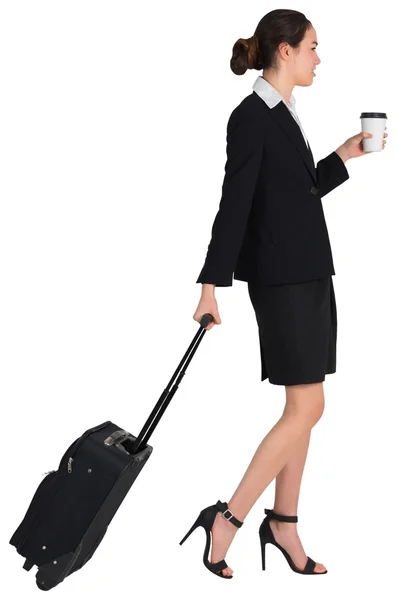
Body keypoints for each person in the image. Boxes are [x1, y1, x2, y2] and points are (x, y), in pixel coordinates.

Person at [179, 9, 387, 579]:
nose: (320, 58)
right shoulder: (250, 117)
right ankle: (228, 516)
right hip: (282, 280)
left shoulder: (285, 113)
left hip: (310, 275)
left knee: (305, 409)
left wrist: (346, 154)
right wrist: (210, 285)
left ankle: (285, 524)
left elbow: (297, 195)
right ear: (286, 51)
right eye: (314, 47)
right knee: (307, 407)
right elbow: (235, 205)